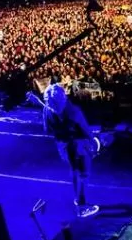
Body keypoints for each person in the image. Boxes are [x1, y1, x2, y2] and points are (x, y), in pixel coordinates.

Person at [42, 83, 100, 217]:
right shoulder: (73, 110)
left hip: (62, 146)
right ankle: (82, 207)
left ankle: (77, 199)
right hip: (78, 146)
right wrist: (94, 143)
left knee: (74, 172)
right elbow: (86, 132)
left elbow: (47, 130)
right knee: (84, 174)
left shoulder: (46, 109)